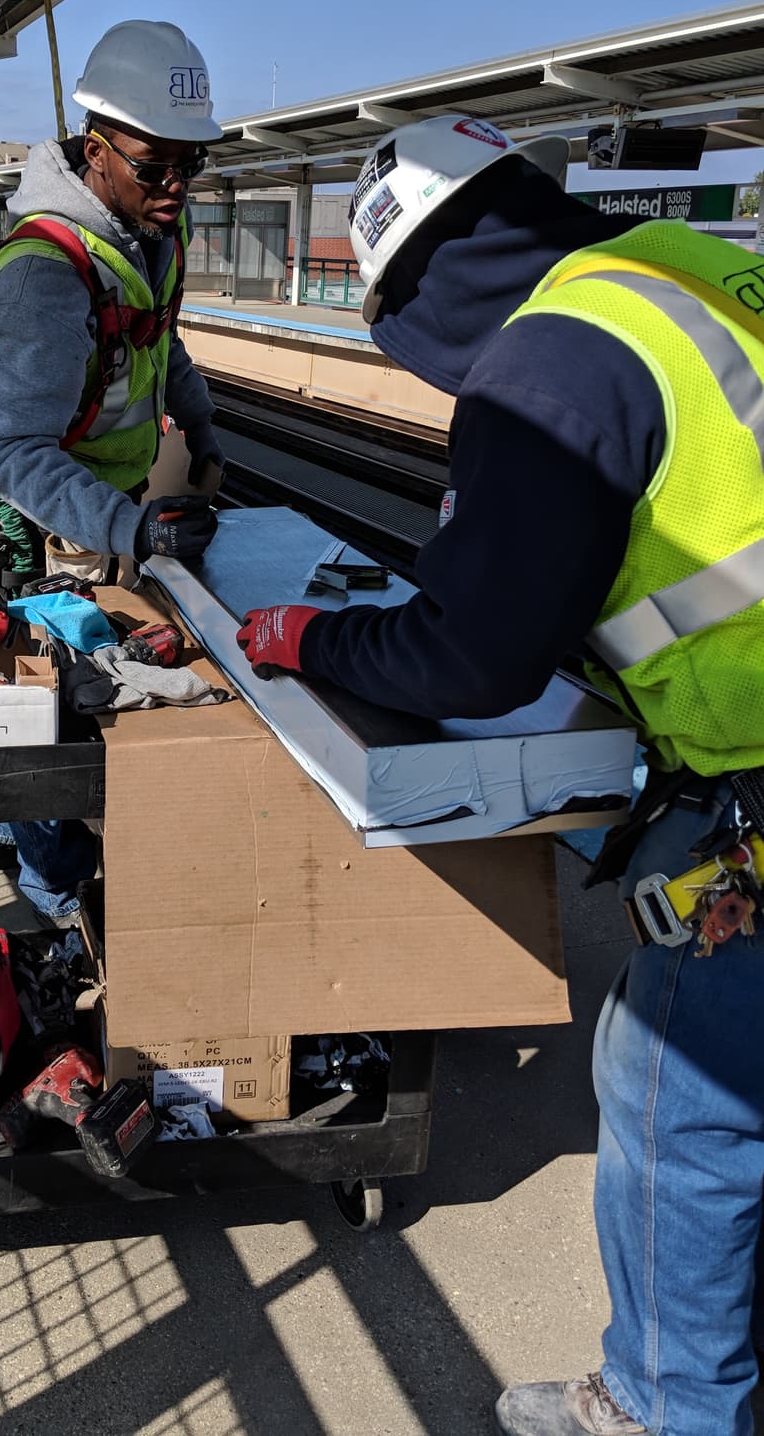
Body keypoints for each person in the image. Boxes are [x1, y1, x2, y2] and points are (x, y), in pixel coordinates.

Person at [234, 115, 764, 1436]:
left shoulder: (547, 360)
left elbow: (470, 654)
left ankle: (665, 1407)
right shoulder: (685, 268)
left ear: (416, 289)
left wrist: (312, 637)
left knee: (681, 1099)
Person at [0, 19, 226, 926]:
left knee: (73, 685)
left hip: (102, 510)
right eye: (155, 168)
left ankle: (1, 829)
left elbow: (158, 336)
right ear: (96, 150)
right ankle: (56, 893)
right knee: (49, 709)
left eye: (191, 164)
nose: (176, 187)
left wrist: (199, 420)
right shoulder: (45, 273)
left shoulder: (147, 235)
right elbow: (7, 449)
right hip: (36, 516)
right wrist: (131, 528)